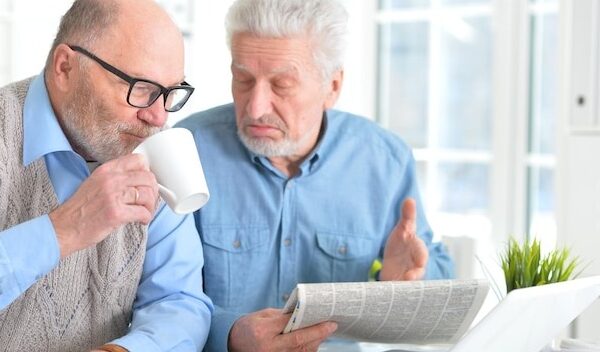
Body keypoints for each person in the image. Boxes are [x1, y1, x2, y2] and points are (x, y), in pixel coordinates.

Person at [176, 0, 455, 350]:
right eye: (244, 79)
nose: (256, 107)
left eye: (281, 85)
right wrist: (231, 335)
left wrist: (408, 280)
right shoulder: (185, 152)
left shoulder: (384, 161)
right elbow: (160, 296)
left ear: (332, 86)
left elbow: (441, 278)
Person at [0, 0, 212, 351]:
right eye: (141, 88)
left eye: (169, 93)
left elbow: (178, 301)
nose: (158, 118)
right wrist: (63, 230)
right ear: (65, 67)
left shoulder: (157, 151)